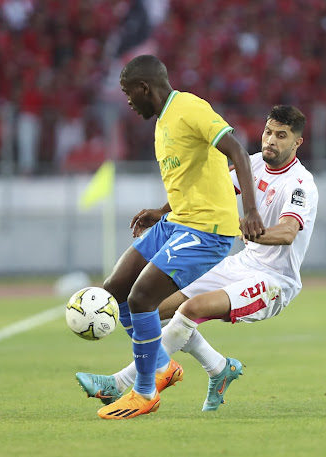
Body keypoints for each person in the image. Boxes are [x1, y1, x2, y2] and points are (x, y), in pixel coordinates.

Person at [77, 105, 317, 414]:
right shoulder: (253, 165)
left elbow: (287, 232)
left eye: (281, 136)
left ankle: (121, 383)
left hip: (273, 280)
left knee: (190, 309)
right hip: (241, 265)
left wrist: (256, 233)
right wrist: (163, 212)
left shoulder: (300, 184)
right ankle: (218, 367)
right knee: (151, 309)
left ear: (298, 142)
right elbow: (208, 193)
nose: (271, 140)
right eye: (268, 132)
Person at [85, 55, 265, 419]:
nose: (128, 102)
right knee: (116, 288)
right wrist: (161, 210)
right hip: (178, 221)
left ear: (143, 88)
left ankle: (145, 391)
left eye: (128, 93)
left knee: (142, 298)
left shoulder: (189, 107)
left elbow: (238, 153)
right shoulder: (163, 121)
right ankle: (165, 366)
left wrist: (249, 211)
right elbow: (193, 178)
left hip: (207, 229)